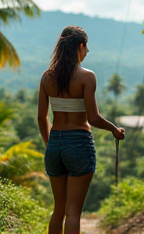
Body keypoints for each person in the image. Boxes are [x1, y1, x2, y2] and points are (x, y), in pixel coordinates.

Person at [37, 25, 125, 234]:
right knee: (73, 212)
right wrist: (114, 130)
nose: (87, 52)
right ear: (80, 46)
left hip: (54, 144)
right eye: (87, 48)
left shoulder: (47, 77)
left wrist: (50, 144)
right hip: (79, 144)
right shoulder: (87, 77)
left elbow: (42, 117)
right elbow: (93, 118)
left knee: (58, 211)